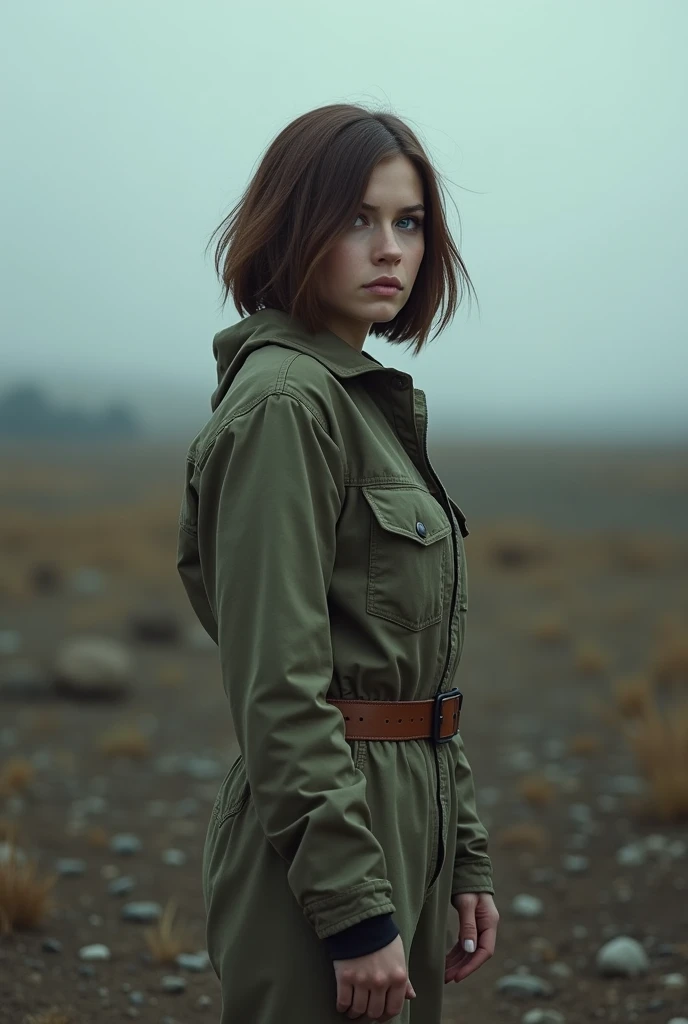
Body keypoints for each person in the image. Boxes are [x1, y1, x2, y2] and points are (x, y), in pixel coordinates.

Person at [176, 102, 499, 1023]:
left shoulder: (361, 404)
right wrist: (355, 912)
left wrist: (462, 851)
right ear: (293, 224)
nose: (391, 249)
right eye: (357, 218)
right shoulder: (286, 407)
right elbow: (280, 686)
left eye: (409, 222)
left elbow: (416, 668)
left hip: (404, 811)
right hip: (323, 835)